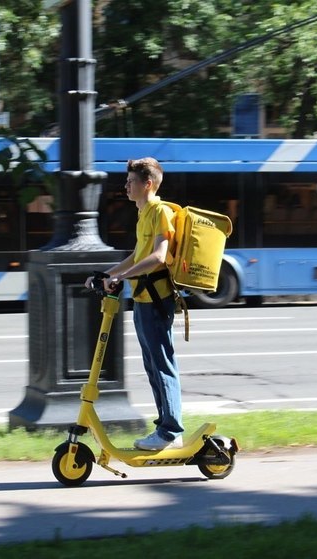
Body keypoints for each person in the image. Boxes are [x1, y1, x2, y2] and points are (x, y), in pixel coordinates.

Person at [85, 157, 184, 451]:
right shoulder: (144, 214)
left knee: (162, 363)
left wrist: (122, 277)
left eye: (131, 181)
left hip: (156, 299)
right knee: (152, 365)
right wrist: (110, 274)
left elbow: (159, 256)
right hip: (142, 298)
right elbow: (138, 255)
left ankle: (171, 432)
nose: (125, 186)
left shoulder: (160, 212)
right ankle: (165, 426)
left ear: (147, 184)